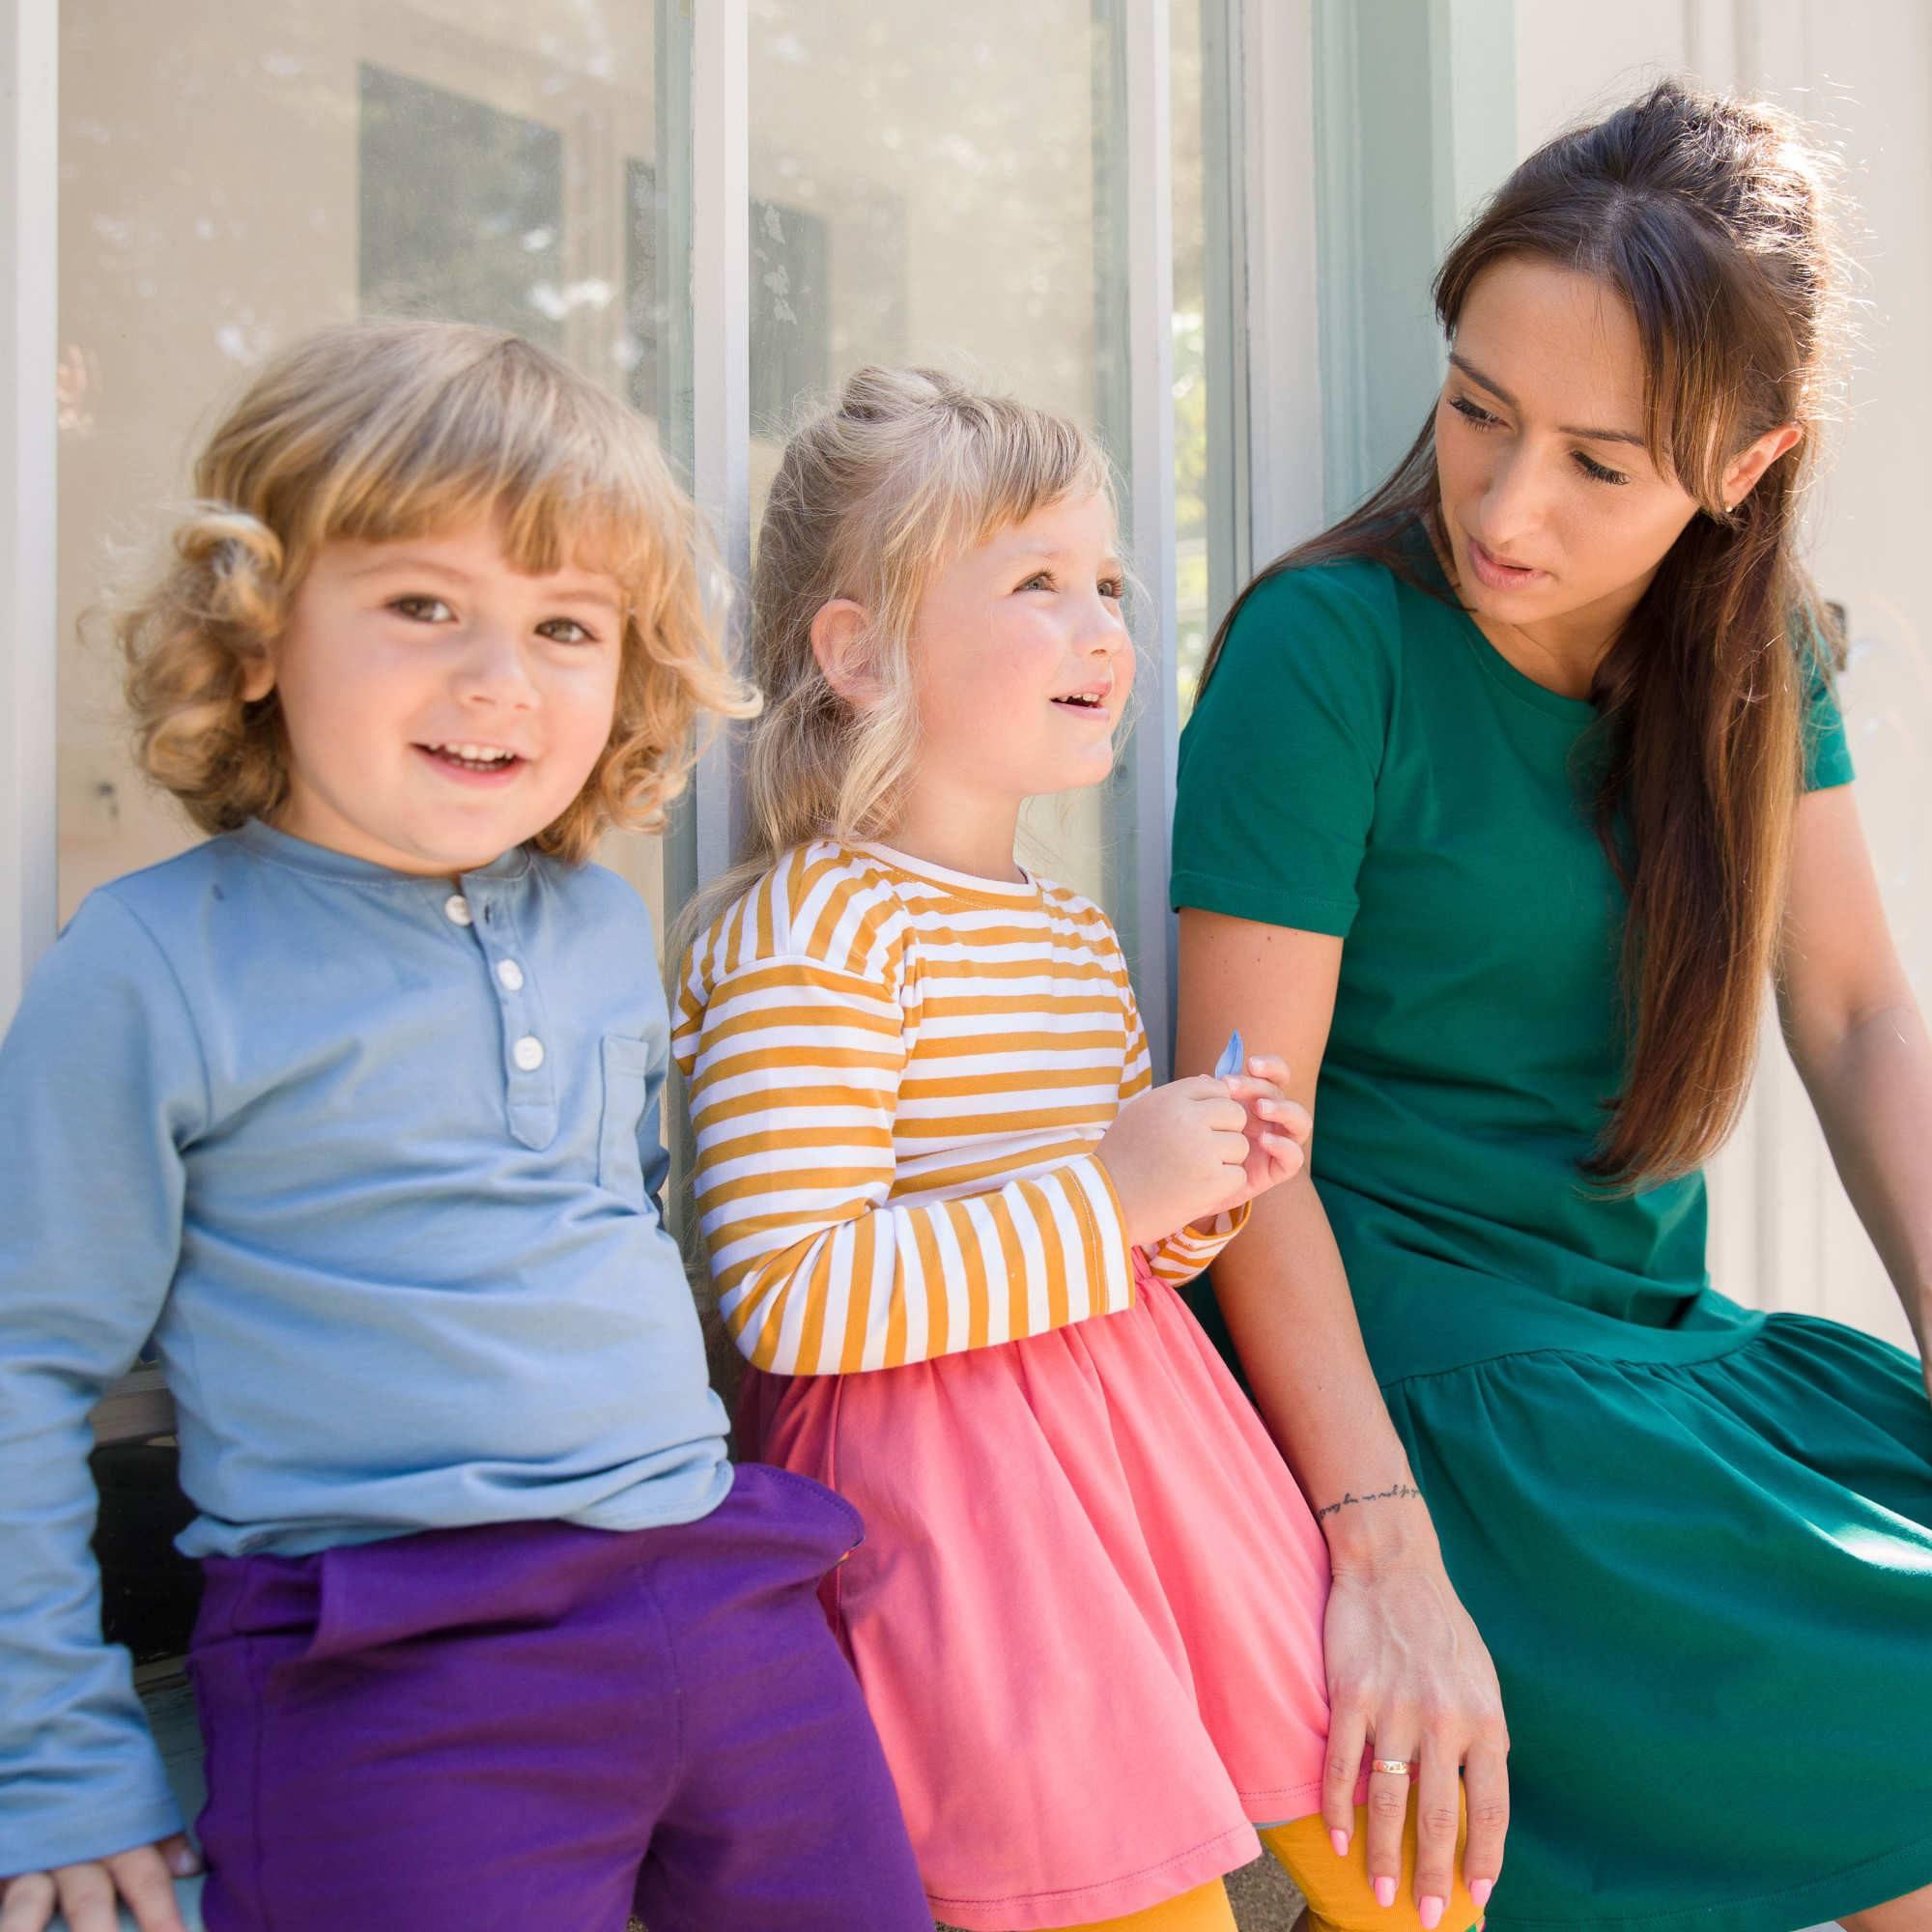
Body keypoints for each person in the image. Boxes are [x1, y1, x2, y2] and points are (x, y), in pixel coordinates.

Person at [0, 320, 931, 1932]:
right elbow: (21, 1368)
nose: (499, 681)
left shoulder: (586, 923)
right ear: (254, 630)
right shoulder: (153, 959)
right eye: (423, 605)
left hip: (717, 1600)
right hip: (391, 1655)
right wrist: (54, 1755)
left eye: (566, 625)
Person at [1173, 81, 1932, 1932]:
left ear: (1743, 468)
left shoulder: (1755, 660)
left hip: (1647, 1355)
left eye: (1601, 464)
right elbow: (1240, 1139)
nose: (1508, 509)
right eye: (1476, 412)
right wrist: (1379, 1546)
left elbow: (1854, 1019)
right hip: (1412, 1383)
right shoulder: (1325, 652)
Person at [672, 366, 1482, 1932]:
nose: (1104, 625)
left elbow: (1121, 1240)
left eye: (1108, 581)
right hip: (960, 1500)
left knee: (1390, 1863)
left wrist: (1199, 1196)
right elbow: (790, 1290)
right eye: (1035, 583)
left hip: (1156, 1453)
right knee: (1128, 1893)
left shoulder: (1066, 932)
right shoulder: (813, 929)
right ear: (859, 651)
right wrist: (1114, 1187)